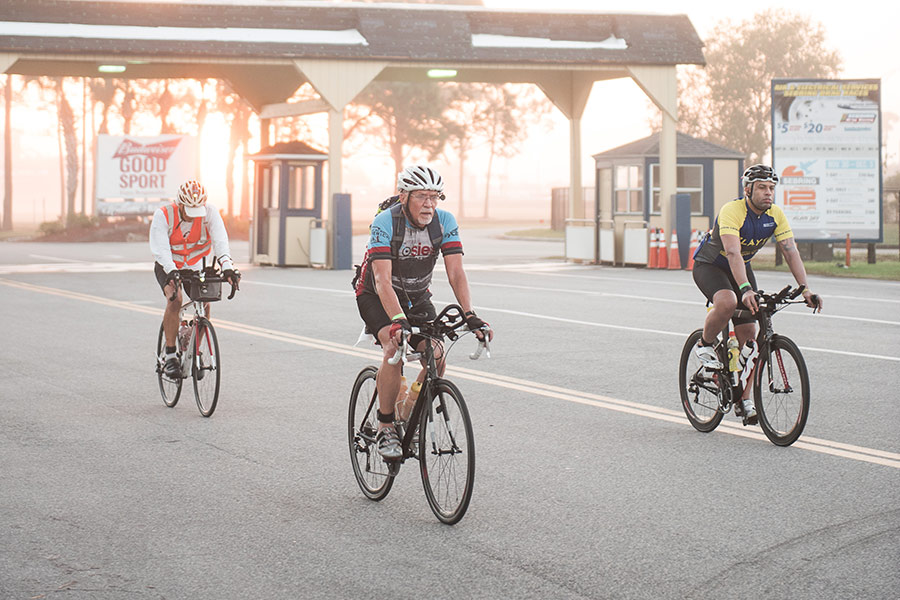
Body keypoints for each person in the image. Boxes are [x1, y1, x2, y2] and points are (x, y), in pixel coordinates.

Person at [354, 165, 493, 459]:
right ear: (403, 196)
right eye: (422, 196)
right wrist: (397, 322)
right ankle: (386, 425)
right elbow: (381, 280)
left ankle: (408, 411)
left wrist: (470, 314)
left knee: (437, 354)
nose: (429, 204)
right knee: (395, 346)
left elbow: (456, 272)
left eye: (435, 196)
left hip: (417, 297)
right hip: (376, 295)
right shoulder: (385, 222)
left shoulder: (444, 222)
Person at [691, 164, 823, 424]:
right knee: (728, 301)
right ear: (748, 189)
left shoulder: (775, 215)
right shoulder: (733, 210)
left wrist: (805, 288)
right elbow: (732, 253)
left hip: (741, 268)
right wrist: (744, 289)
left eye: (772, 188)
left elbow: (790, 251)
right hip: (711, 265)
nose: (768, 193)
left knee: (750, 339)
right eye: (762, 187)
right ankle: (705, 344)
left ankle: (744, 398)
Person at [150, 180, 240, 378]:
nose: (193, 216)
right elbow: (161, 250)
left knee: (205, 301)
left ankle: (194, 349)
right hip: (168, 264)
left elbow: (220, 242)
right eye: (189, 210)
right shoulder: (163, 215)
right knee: (176, 299)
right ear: (180, 204)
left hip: (194, 264)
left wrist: (228, 268)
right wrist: (172, 271)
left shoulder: (210, 213)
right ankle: (171, 354)